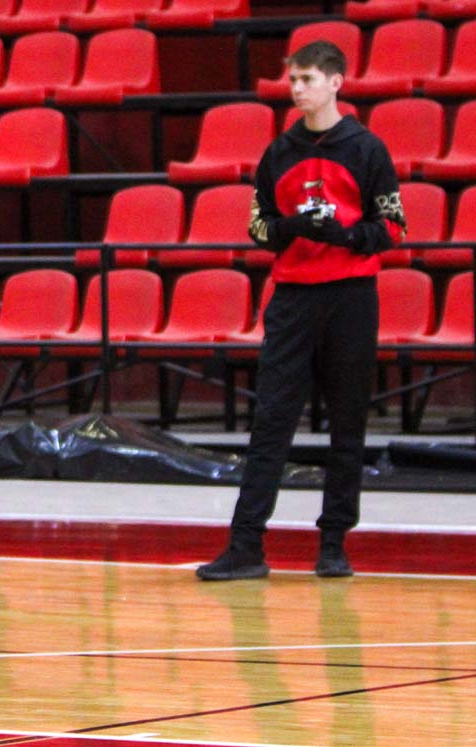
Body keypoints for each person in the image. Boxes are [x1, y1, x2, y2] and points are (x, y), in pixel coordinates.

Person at [196, 41, 406, 581]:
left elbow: (395, 227)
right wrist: (289, 228)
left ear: (336, 82)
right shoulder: (278, 152)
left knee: (347, 422)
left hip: (351, 297)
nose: (297, 89)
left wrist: (350, 236)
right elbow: (258, 226)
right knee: (270, 422)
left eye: (308, 79)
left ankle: (333, 543)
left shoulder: (367, 149)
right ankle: (246, 546)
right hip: (292, 298)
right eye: (293, 80)